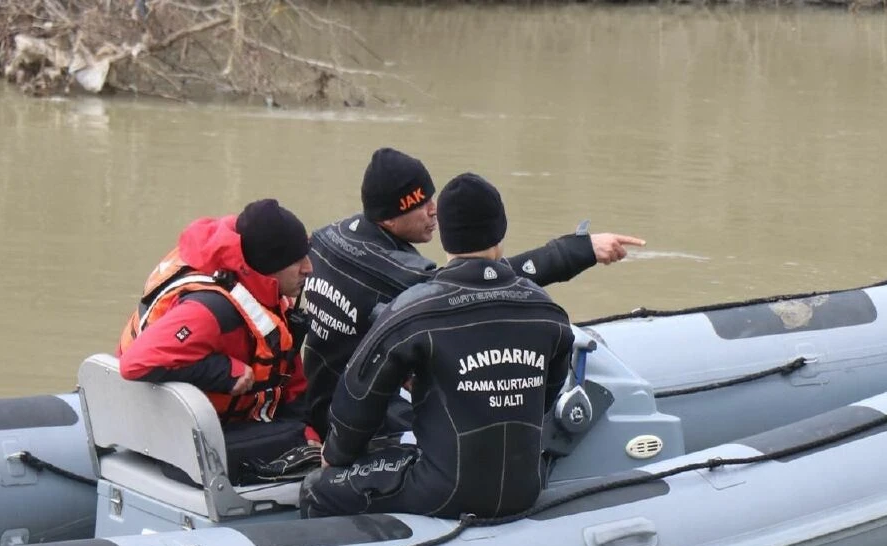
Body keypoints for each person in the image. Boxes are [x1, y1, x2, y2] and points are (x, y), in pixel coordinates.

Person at [299, 146, 644, 438]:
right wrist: (578, 250)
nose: (434, 210)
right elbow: (486, 280)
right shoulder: (403, 274)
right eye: (420, 204)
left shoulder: (327, 236)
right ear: (389, 218)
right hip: (347, 419)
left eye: (432, 197)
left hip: (319, 393)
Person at [299, 172, 575, 520]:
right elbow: (545, 398)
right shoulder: (546, 310)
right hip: (526, 487)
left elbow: (358, 393)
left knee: (317, 490)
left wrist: (337, 456)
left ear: (445, 234)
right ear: (501, 229)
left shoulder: (414, 311)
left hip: (442, 492)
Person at [117, 198, 322, 485]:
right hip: (174, 440)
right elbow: (134, 364)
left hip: (208, 421)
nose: (309, 268)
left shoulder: (262, 293)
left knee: (313, 430)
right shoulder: (212, 310)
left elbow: (288, 373)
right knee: (302, 442)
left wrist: (312, 426)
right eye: (297, 260)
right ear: (269, 265)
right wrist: (224, 372)